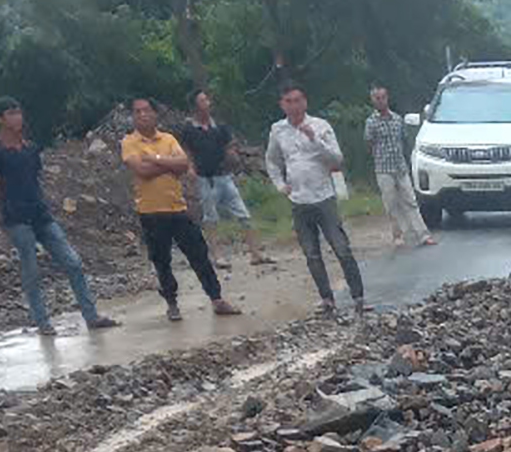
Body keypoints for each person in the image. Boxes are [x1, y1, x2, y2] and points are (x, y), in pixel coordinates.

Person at [0, 97, 120, 338]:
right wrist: (3, 216)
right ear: (0, 119)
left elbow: (36, 178)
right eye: (11, 113)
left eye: (18, 112)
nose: (17, 118)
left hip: (41, 214)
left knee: (73, 263)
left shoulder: (30, 148)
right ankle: (43, 322)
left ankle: (91, 316)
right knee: (31, 271)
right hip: (16, 219)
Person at [121, 97, 243, 322]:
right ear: (133, 116)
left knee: (199, 254)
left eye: (146, 110)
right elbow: (142, 171)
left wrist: (155, 158)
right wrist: (169, 164)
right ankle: (172, 303)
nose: (142, 115)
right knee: (162, 261)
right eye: (137, 111)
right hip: (150, 212)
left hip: (177, 208)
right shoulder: (129, 142)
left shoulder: (168, 138)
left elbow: (183, 164)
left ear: (155, 114)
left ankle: (217, 299)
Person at [266, 83, 366, 317]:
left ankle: (358, 296)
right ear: (282, 105)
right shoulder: (278, 130)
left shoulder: (320, 126)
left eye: (297, 100)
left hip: (323, 196)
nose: (294, 106)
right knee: (311, 253)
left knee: (341, 248)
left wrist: (315, 140)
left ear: (305, 102)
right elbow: (272, 160)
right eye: (289, 101)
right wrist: (280, 184)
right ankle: (327, 299)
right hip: (298, 199)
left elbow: (337, 159)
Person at [180, 89, 271, 267]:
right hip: (205, 178)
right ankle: (217, 256)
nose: (208, 103)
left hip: (224, 176)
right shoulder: (189, 130)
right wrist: (189, 168)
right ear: (195, 107)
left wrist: (232, 154)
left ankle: (256, 253)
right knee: (210, 218)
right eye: (203, 100)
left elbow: (229, 145)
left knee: (243, 214)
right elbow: (186, 151)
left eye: (207, 100)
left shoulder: (219, 127)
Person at [363, 84, 437, 247]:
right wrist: (377, 157)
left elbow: (404, 140)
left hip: (400, 167)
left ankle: (423, 235)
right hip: (383, 168)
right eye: (377, 98)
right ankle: (398, 235)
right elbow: (369, 143)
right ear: (373, 101)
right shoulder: (371, 122)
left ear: (387, 98)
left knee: (411, 201)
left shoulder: (397, 119)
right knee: (391, 204)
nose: (380, 101)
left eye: (383, 97)